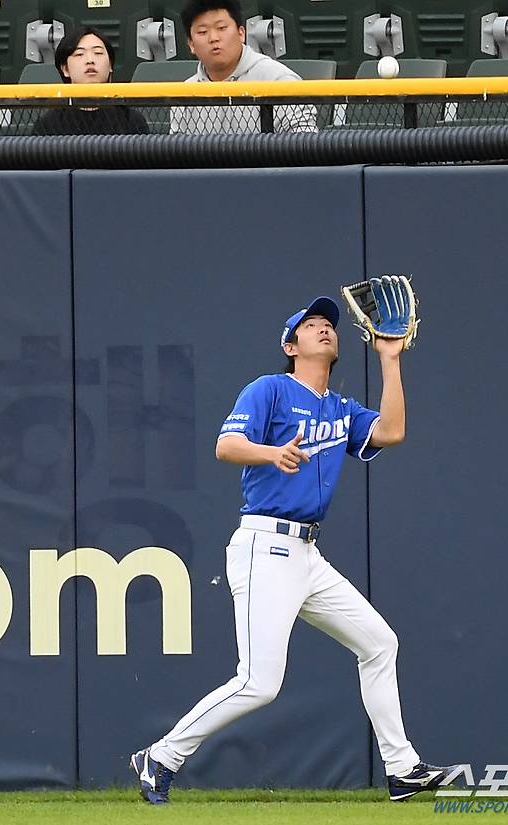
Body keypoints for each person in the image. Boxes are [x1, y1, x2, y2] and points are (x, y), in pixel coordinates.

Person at [131, 295, 457, 804]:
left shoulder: (339, 407)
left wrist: (390, 361)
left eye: (329, 324)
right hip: (266, 545)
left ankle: (402, 769)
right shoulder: (271, 389)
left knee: (379, 643)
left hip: (307, 556)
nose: (325, 329)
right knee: (259, 682)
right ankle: (162, 755)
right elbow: (225, 446)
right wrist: (270, 451)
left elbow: (392, 431)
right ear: (292, 344)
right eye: (311, 325)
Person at [170, 0, 317, 134]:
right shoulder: (186, 92)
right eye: (203, 32)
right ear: (191, 44)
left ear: (241, 34)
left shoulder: (277, 79)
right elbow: (175, 153)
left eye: (221, 28)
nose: (213, 38)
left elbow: (305, 143)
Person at [32, 27, 149, 136]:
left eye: (98, 53)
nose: (90, 60)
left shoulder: (131, 120)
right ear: (65, 69)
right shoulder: (48, 124)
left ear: (110, 66)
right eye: (79, 54)